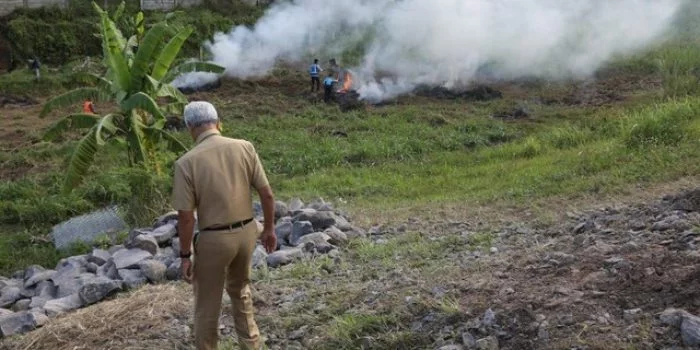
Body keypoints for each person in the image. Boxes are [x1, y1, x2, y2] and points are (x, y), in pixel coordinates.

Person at [171, 101, 277, 350]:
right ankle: (251, 345)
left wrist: (185, 255)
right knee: (241, 292)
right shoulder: (244, 147)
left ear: (190, 127)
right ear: (218, 122)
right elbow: (267, 195)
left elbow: (186, 217)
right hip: (247, 233)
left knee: (207, 306)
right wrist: (270, 229)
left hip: (214, 240)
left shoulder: (186, 163)